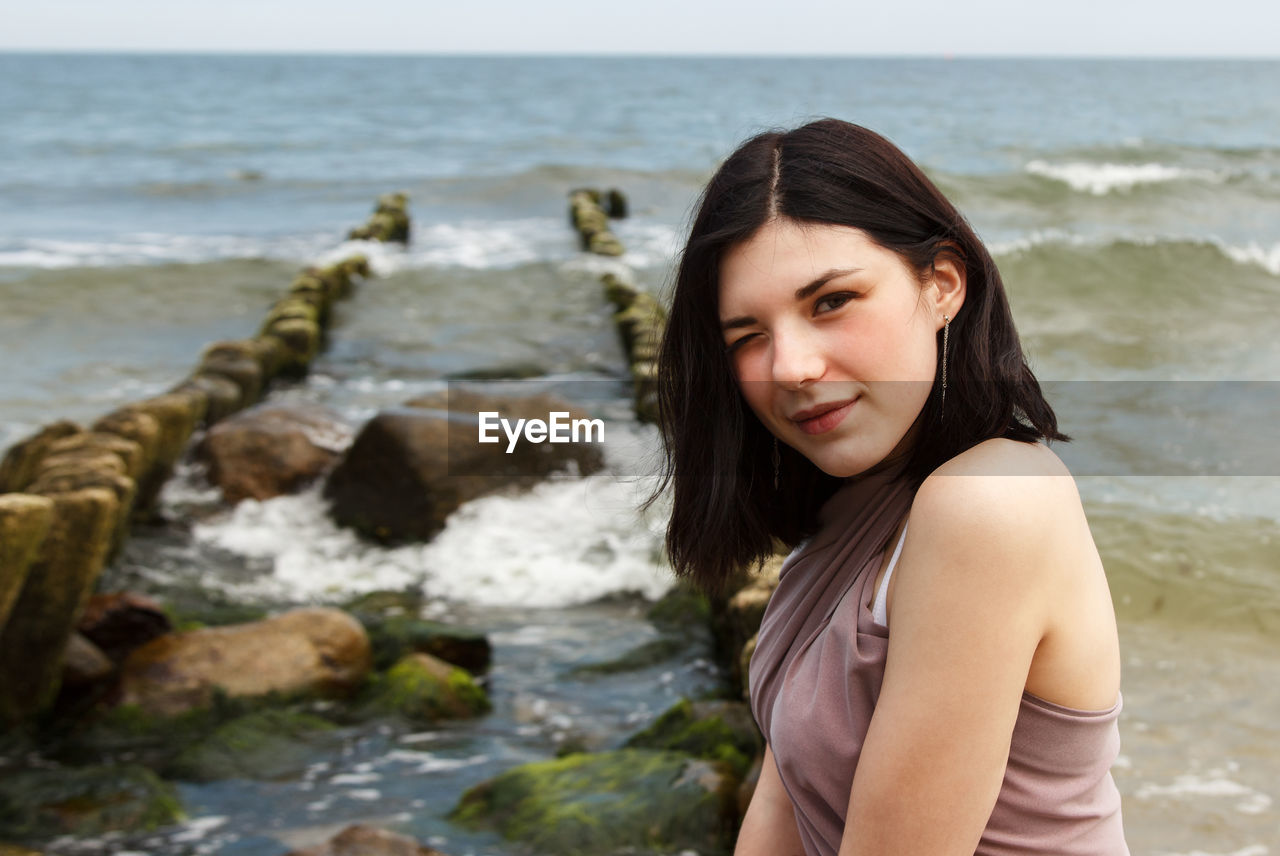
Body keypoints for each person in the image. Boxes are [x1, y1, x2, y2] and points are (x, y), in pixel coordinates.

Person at [651, 119, 1128, 855]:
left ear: (942, 284)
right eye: (748, 335)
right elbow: (780, 811)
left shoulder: (992, 502)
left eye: (831, 302)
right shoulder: (848, 514)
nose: (792, 367)